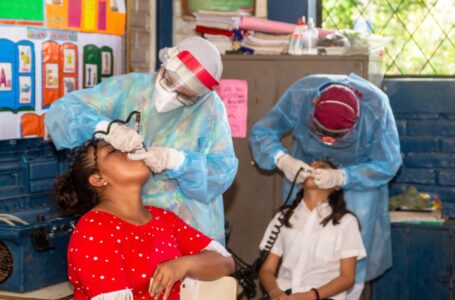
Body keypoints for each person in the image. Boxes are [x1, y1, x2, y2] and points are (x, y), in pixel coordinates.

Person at [45, 37, 238, 243]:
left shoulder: (209, 109)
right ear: (165, 62)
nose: (172, 95)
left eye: (185, 95)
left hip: (189, 229)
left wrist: (176, 161)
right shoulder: (130, 88)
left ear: (200, 95)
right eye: (169, 81)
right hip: (130, 224)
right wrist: (105, 128)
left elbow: (222, 172)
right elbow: (62, 112)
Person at [249, 73, 402, 299]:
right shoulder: (300, 95)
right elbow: (262, 132)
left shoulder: (376, 108)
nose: (328, 143)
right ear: (314, 105)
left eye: (336, 136)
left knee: (353, 253)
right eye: (323, 133)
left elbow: (388, 162)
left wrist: (343, 176)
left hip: (361, 179)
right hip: (301, 168)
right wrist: (281, 159)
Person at [54, 139, 234, 300]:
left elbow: (225, 263)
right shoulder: (94, 229)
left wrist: (184, 264)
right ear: (98, 179)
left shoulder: (163, 218)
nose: (129, 151)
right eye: (114, 151)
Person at [259, 160, 366, 300]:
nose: (314, 166)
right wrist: (276, 293)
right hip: (284, 294)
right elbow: (267, 270)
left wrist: (310, 296)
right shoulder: (284, 216)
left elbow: (347, 278)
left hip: (323, 296)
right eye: (311, 166)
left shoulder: (346, 222)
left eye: (322, 167)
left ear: (336, 185)